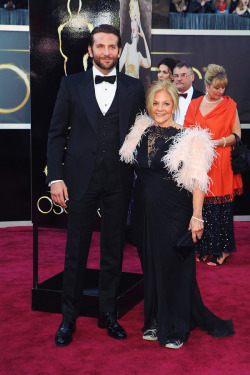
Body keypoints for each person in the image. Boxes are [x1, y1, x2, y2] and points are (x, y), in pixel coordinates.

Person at [46, 24, 145, 347]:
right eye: (99, 46)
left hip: (119, 180)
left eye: (111, 47)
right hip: (79, 180)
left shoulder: (134, 87)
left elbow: (141, 135)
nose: (105, 52)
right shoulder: (71, 84)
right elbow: (56, 133)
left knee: (113, 250)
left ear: (119, 51)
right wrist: (56, 177)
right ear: (90, 50)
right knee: (76, 250)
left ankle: (108, 314)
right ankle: (68, 318)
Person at [119, 80, 235, 349]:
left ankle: (178, 327)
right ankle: (156, 320)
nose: (160, 109)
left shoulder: (189, 137)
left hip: (175, 212)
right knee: (150, 266)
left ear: (175, 105)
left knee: (175, 267)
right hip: (143, 212)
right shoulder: (139, 132)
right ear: (149, 105)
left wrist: (197, 217)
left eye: (166, 103)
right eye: (155, 103)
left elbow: (197, 182)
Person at [184, 64, 243, 266]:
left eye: (223, 88)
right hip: (201, 162)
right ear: (207, 85)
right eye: (217, 87)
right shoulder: (195, 104)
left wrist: (219, 142)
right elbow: (187, 132)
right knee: (203, 207)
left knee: (222, 209)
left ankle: (223, 250)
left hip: (222, 161)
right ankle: (204, 248)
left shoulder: (230, 105)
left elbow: (237, 135)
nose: (221, 92)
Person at [119, 0, 151, 78]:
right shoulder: (127, 47)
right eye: (132, 20)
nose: (133, 24)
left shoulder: (139, 55)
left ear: (138, 24)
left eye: (135, 20)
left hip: (136, 87)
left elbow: (148, 64)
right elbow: (119, 68)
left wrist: (144, 38)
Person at [173, 61, 203, 126]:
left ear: (192, 77)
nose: (179, 79)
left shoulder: (202, 98)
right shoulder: (168, 96)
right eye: (176, 76)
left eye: (183, 75)